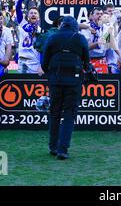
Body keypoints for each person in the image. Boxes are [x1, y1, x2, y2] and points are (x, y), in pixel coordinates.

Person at [41, 16, 90, 160]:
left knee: (55, 113)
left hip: (55, 81)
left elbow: (45, 63)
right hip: (73, 82)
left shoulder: (52, 38)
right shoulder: (80, 38)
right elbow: (86, 63)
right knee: (69, 114)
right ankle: (63, 149)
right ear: (75, 26)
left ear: (62, 25)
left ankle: (53, 147)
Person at [15, 0, 43, 74]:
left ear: (38, 17)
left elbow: (42, 48)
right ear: (27, 16)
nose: (33, 14)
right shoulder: (23, 24)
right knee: (21, 86)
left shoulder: (41, 30)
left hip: (35, 61)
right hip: (23, 61)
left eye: (35, 13)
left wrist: (41, 65)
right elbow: (17, 9)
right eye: (31, 13)